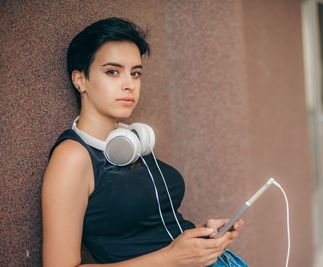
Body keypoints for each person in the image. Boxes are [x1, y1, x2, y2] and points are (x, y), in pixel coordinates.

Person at [41, 17, 248, 267]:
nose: (129, 85)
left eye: (136, 73)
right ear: (80, 80)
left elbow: (149, 230)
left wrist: (201, 239)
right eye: (112, 72)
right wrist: (172, 258)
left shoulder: (133, 141)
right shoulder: (72, 157)